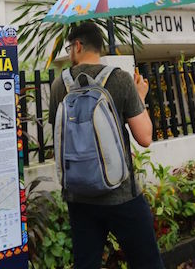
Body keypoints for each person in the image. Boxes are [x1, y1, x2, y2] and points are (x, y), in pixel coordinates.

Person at [47, 21, 163, 269]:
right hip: (121, 195)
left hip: (78, 196)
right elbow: (145, 138)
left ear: (78, 45)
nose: (69, 53)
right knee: (147, 263)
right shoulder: (120, 79)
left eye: (69, 47)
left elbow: (59, 134)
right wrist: (140, 97)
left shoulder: (60, 85)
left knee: (86, 264)